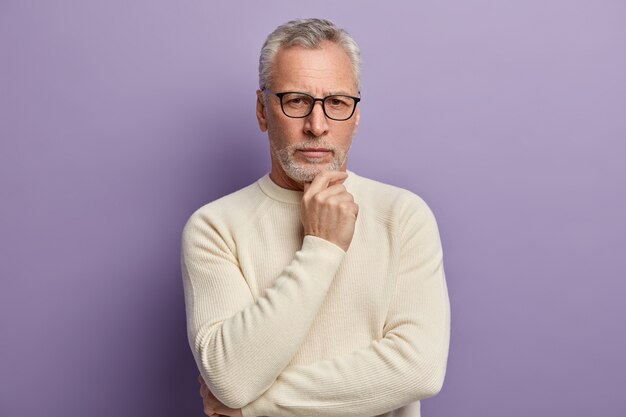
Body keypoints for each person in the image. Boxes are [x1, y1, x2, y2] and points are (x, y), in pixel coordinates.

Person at [181, 18, 450, 417]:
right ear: (262, 111)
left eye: (337, 103)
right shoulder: (214, 228)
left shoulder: (403, 216)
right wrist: (322, 247)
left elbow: (420, 370)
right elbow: (232, 378)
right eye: (296, 101)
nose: (317, 126)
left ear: (356, 116)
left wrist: (256, 406)